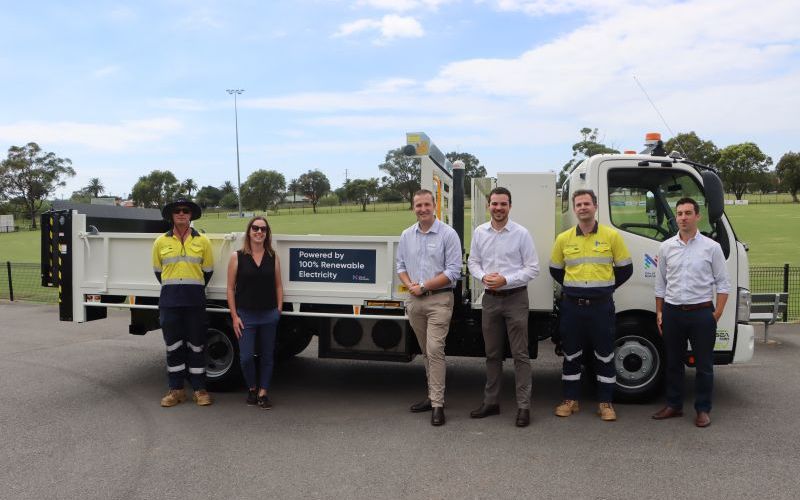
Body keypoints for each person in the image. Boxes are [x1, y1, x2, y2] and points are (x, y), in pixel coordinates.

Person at [549, 189, 632, 421]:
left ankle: (605, 403)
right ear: (574, 209)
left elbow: (625, 268)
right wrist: (575, 287)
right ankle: (570, 400)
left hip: (601, 307)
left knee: (604, 354)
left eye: (587, 203)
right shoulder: (563, 239)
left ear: (595, 206)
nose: (583, 208)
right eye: (579, 204)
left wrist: (605, 288)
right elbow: (555, 269)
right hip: (572, 307)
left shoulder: (611, 236)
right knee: (571, 353)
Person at [653, 197, 729, 428]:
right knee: (673, 363)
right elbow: (660, 284)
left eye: (688, 213)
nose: (683, 218)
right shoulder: (666, 247)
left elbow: (723, 284)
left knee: (704, 366)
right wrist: (659, 312)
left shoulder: (712, 248)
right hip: (673, 313)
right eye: (679, 213)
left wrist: (716, 314)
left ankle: (703, 409)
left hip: (702, 314)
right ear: (675, 218)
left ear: (698, 216)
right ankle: (674, 405)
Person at [467, 187, 539, 427]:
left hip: (516, 298)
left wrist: (506, 280)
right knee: (492, 354)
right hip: (490, 299)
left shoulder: (521, 234)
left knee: (520, 355)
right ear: (489, 205)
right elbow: (473, 262)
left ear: (510, 206)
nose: (498, 208)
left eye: (503, 204)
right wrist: (483, 276)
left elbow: (533, 268)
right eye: (494, 204)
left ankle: (524, 406)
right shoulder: (480, 232)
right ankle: (492, 402)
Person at [396, 190, 461, 426]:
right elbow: (400, 267)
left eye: (426, 204)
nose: (422, 209)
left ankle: (437, 405)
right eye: (418, 205)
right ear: (413, 207)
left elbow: (454, 272)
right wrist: (410, 286)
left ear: (434, 206)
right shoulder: (406, 235)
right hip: (415, 302)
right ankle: (432, 395)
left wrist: (423, 286)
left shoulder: (448, 234)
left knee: (435, 350)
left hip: (439, 300)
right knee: (426, 352)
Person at [152, 198, 214, 407]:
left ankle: (199, 390)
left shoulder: (203, 241)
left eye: (185, 210)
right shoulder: (160, 242)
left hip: (194, 302)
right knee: (173, 347)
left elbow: (208, 271)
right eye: (177, 211)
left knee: (197, 347)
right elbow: (158, 272)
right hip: (169, 303)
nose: (181, 213)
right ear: (171, 215)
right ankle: (176, 390)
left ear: (190, 215)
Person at [227, 216, 284, 410]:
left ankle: (263, 393)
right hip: (246, 316)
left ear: (267, 233)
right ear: (249, 231)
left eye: (263, 229)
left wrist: (278, 310)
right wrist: (234, 316)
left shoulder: (273, 256)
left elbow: (278, 285)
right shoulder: (237, 256)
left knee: (268, 356)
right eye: (255, 228)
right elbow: (229, 289)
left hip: (269, 314)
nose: (259, 232)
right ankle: (252, 388)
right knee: (246, 357)